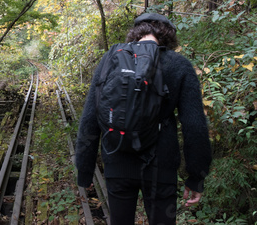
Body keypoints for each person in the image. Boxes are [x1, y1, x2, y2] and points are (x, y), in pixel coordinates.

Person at [75, 13, 212, 225]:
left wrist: (84, 169)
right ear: (168, 36)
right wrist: (196, 176)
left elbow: (90, 117)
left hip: (117, 159)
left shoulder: (111, 59)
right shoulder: (179, 65)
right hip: (161, 166)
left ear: (136, 32)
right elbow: (194, 126)